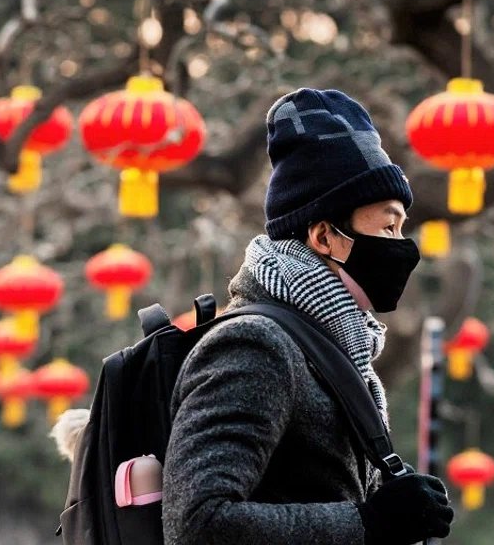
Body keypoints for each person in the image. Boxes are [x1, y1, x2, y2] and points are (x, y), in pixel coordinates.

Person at [161, 89, 455, 545]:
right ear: (324, 236)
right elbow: (197, 524)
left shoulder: (331, 349)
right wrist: (368, 523)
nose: (402, 245)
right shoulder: (256, 344)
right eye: (388, 226)